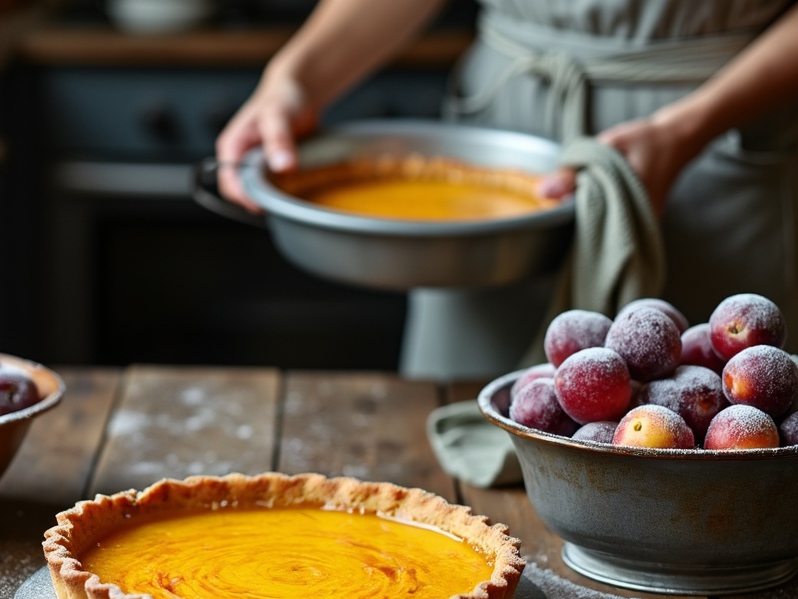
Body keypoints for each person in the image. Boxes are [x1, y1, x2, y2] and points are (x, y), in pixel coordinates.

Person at [215, 0, 798, 376]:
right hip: (507, 126)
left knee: (696, 437)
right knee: (458, 424)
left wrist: (688, 128)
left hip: (713, 129)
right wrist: (297, 76)